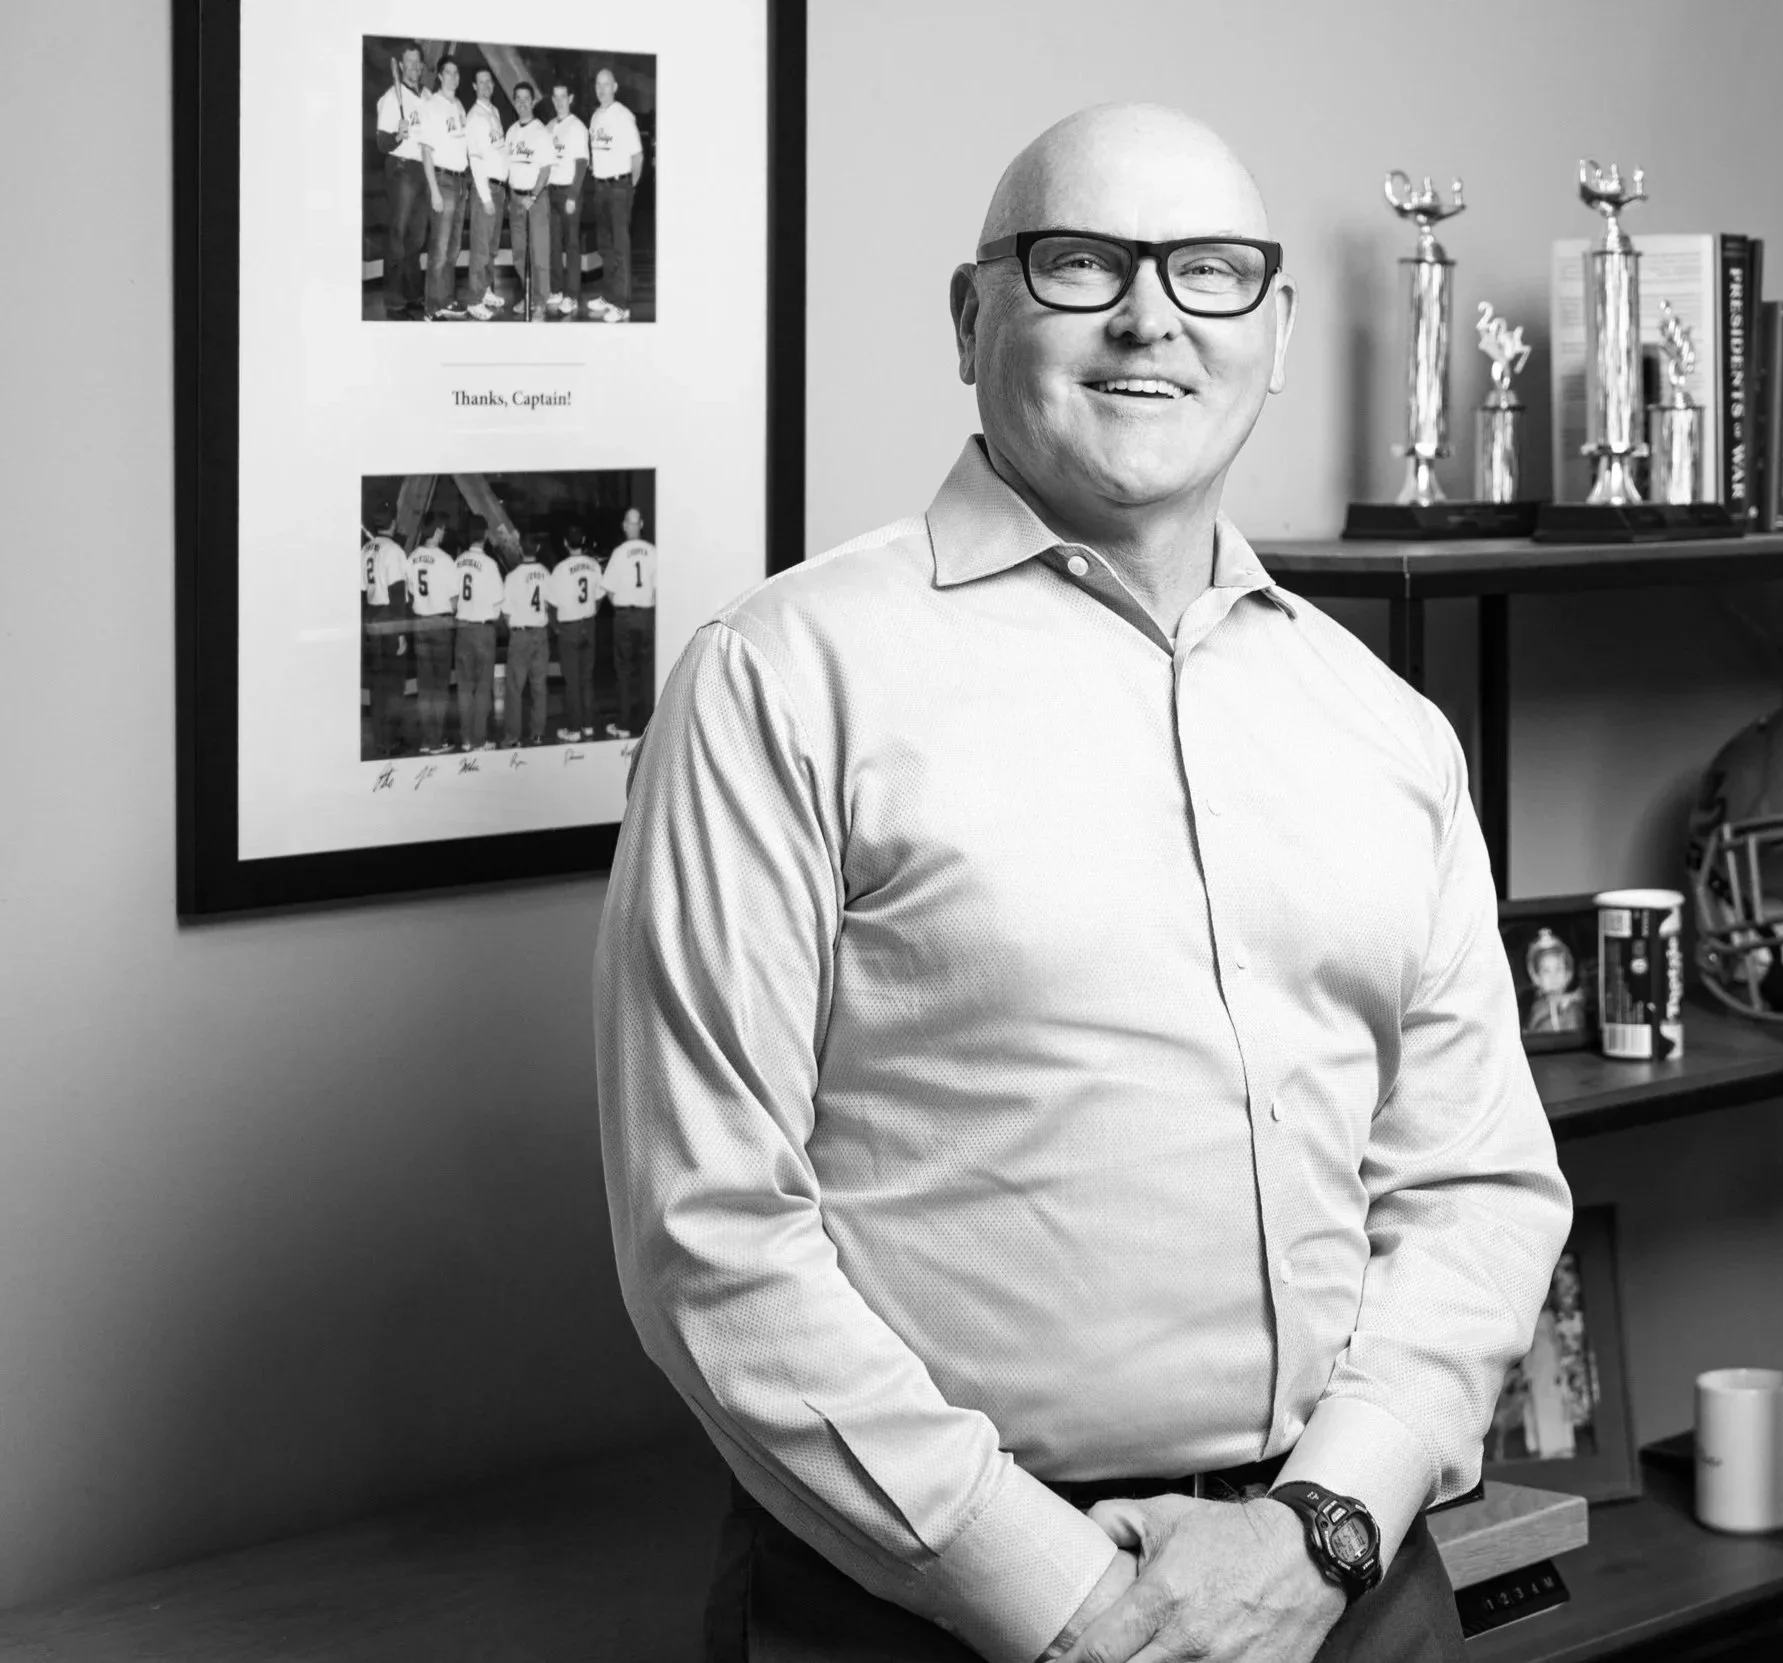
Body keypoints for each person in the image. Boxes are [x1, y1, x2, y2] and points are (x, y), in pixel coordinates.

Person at [594, 103, 1573, 1663]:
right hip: (930, 1600)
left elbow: (1474, 1187)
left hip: (1350, 1579)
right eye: (1078, 264)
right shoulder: (779, 681)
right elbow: (708, 1231)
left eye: (1207, 273)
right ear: (972, 315)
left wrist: (1318, 1530)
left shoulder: (1382, 726)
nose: (1148, 317)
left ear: (1274, 327)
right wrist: (1067, 1599)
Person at [372, 43, 430, 319]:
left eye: (416, 62)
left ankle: (413, 294)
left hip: (423, 171)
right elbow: (382, 142)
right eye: (407, 62)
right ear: (402, 66)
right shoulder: (390, 98)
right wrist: (397, 134)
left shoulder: (427, 96)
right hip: (401, 169)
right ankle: (394, 300)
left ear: (421, 66)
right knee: (397, 236)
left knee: (416, 239)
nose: (412, 67)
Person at [585, 67, 644, 323]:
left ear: (615, 86)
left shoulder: (624, 115)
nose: (601, 89)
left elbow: (638, 157)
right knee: (605, 246)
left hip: (619, 188)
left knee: (620, 248)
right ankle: (609, 296)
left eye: (606, 84)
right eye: (598, 84)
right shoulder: (596, 116)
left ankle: (622, 304)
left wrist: (629, 188)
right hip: (600, 188)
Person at [417, 56, 471, 321]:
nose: (453, 77)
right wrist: (434, 191)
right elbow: (426, 151)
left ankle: (446, 299)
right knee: (438, 251)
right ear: (440, 76)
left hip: (460, 182)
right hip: (442, 182)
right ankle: (431, 307)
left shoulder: (459, 105)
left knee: (452, 249)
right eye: (448, 72)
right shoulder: (432, 106)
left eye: (456, 72)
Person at [404, 513, 459, 752]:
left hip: (420, 623)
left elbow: (410, 593)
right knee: (440, 685)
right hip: (440, 625)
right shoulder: (445, 559)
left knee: (425, 685)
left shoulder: (412, 557)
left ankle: (428, 739)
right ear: (436, 531)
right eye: (442, 529)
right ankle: (438, 740)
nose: (444, 533)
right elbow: (455, 600)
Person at [500, 80, 555, 322]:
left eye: (526, 99)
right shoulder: (511, 131)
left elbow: (545, 170)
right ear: (514, 102)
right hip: (516, 200)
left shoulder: (541, 132)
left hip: (536, 199)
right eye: (518, 99)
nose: (522, 103)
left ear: (533, 101)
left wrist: (532, 196)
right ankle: (529, 295)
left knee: (539, 254)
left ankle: (541, 302)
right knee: (519, 254)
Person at [451, 519, 507, 749]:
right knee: (483, 687)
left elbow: (452, 600)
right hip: (484, 630)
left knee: (464, 687)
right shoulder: (490, 565)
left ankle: (465, 740)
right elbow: (498, 604)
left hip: (463, 629)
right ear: (484, 535)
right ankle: (480, 739)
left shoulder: (457, 562)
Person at [360, 518, 412, 754]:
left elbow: (361, 591)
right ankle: (393, 740)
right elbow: (398, 594)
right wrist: (401, 632)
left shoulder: (366, 549)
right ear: (392, 523)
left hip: (371, 617)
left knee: (377, 685)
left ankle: (380, 739)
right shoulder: (394, 551)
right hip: (389, 618)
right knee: (393, 685)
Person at [604, 507, 656, 738]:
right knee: (647, 671)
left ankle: (624, 724)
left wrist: (623, 607)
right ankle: (648, 724)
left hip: (625, 616)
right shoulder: (654, 552)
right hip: (647, 615)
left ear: (626, 526)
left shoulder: (618, 553)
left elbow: (609, 591)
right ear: (641, 525)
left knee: (624, 670)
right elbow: (660, 589)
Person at [550, 526, 604, 741]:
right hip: (588, 624)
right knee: (586, 679)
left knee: (572, 681)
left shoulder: (561, 569)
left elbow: (552, 604)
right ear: (583, 542)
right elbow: (600, 597)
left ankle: (574, 728)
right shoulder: (594, 566)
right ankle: (588, 725)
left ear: (565, 543)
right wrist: (590, 613)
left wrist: (557, 628)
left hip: (569, 627)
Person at [463, 66, 509, 319]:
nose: (486, 86)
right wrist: (485, 196)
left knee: (491, 248)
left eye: (489, 82)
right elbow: (476, 159)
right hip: (486, 190)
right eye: (481, 82)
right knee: (481, 248)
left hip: (499, 188)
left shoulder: (495, 112)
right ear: (474, 87)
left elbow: (498, 151)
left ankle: (486, 290)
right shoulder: (475, 117)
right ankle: (473, 300)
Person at [502, 533, 556, 746]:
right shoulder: (546, 574)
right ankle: (538, 734)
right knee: (539, 687)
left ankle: (513, 737)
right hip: (541, 634)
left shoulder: (513, 576)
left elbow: (506, 612)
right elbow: (551, 605)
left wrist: (516, 629)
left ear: (519, 549)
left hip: (521, 634)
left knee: (515, 688)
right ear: (539, 547)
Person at [545, 80, 590, 318]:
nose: (560, 101)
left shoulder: (577, 127)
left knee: (572, 245)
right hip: (552, 192)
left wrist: (573, 196)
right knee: (554, 244)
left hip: (569, 194)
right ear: (552, 100)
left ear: (570, 99)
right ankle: (556, 289)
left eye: (564, 96)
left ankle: (571, 296)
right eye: (556, 97)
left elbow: (582, 163)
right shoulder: (551, 126)